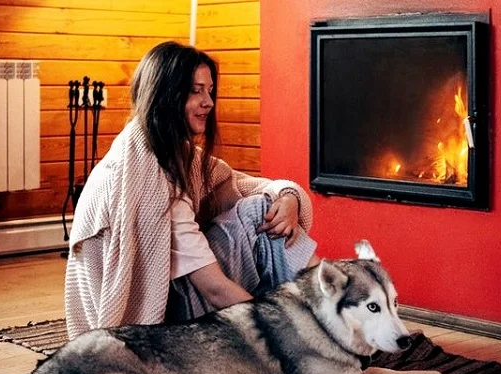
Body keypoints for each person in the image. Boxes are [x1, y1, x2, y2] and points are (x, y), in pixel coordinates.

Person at [64, 41, 319, 339]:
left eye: (209, 90)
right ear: (165, 96)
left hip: (179, 298)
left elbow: (247, 186)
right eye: (196, 90)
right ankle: (333, 306)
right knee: (261, 213)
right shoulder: (146, 183)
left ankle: (334, 300)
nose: (208, 101)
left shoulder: (173, 155)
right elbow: (214, 290)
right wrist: (277, 334)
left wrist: (288, 198)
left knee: (264, 207)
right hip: (165, 324)